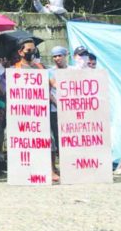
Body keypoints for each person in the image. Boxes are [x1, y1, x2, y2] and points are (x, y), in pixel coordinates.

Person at [47, 45, 68, 182]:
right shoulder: (49, 72)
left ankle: (68, 167)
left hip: (70, 110)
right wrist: (56, 103)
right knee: (55, 138)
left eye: (59, 55)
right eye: (55, 56)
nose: (57, 58)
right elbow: (47, 90)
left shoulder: (73, 71)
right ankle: (54, 168)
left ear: (65, 56)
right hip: (55, 111)